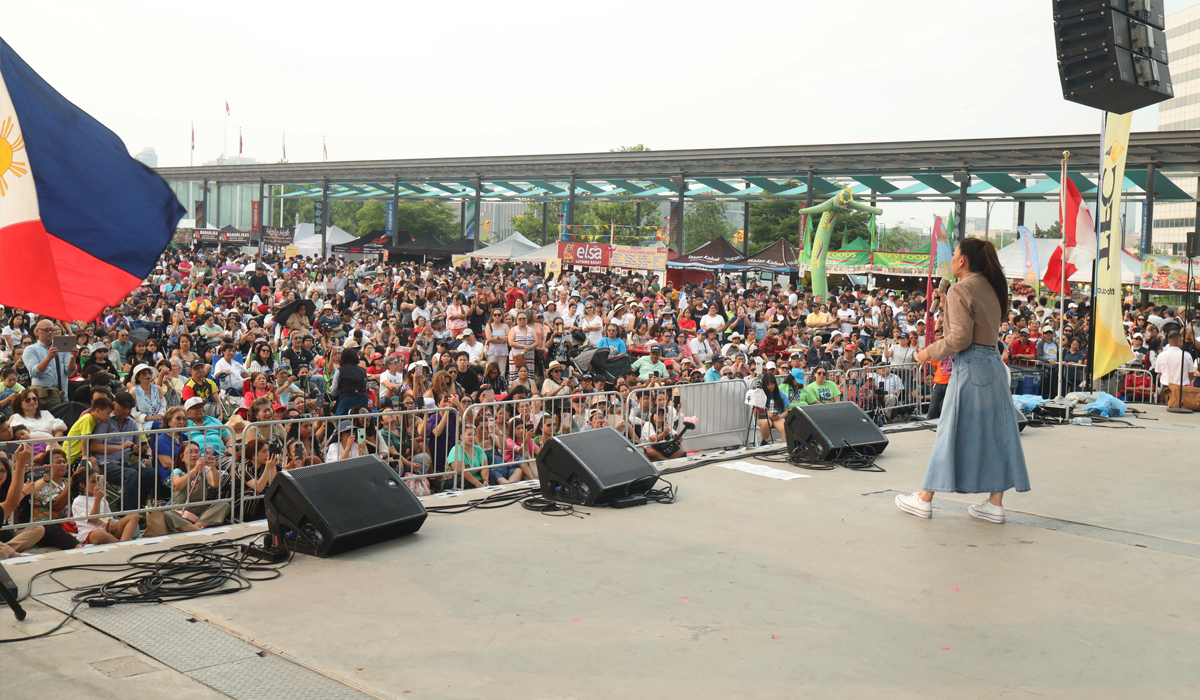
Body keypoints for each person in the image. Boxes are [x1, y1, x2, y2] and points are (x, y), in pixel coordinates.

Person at [896, 238, 1029, 523]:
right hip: (993, 364)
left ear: (962, 261)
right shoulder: (992, 287)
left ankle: (924, 499)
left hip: (970, 368)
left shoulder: (960, 288)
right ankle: (995, 504)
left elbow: (959, 338)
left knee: (949, 431)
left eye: (955, 254)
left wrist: (926, 353)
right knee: (998, 435)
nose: (953, 258)